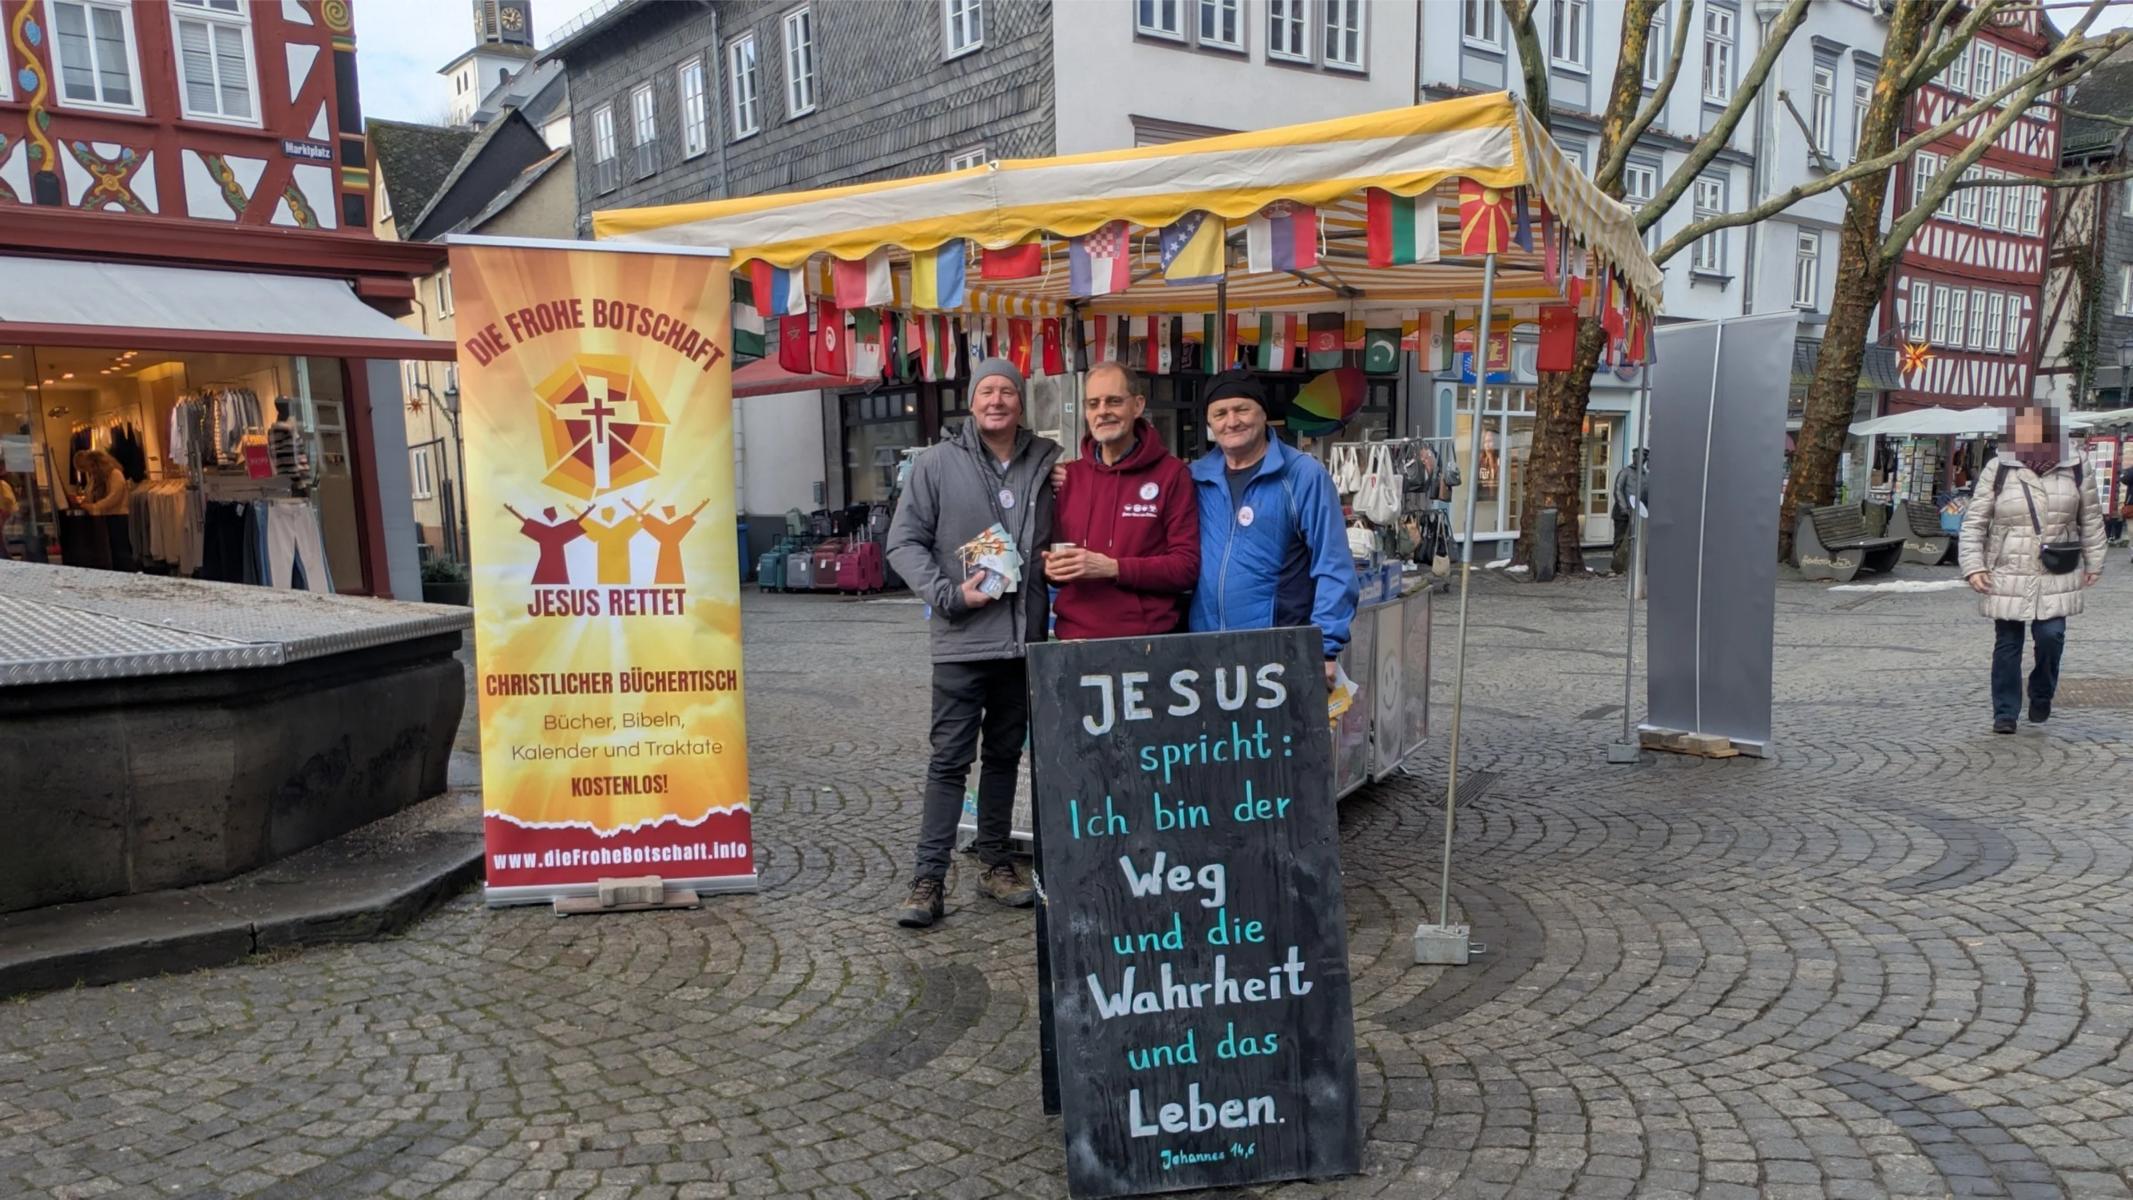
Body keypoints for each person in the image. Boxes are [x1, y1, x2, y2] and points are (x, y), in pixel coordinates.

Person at [884, 358, 1061, 929]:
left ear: (1020, 401)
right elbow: (903, 542)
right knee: (949, 762)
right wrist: (949, 595)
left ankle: (995, 862)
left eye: (1007, 391)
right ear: (971, 400)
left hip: (1023, 641)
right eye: (987, 391)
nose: (997, 400)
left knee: (1006, 756)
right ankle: (928, 878)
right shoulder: (936, 464)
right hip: (962, 640)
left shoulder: (1047, 462)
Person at [1186, 370, 1359, 684]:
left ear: (1263, 413)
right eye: (1220, 413)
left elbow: (1333, 565)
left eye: (1242, 409)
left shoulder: (1302, 475)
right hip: (1205, 654)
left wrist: (1325, 649)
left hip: (1279, 653)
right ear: (1209, 423)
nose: (1232, 421)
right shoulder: (1194, 478)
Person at [1959, 405, 2103, 735]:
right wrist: (1973, 566)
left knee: (2051, 637)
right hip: (2008, 565)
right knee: (2008, 641)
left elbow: (2091, 518)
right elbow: (1975, 522)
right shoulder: (1999, 469)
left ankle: (2042, 693)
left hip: (2056, 566)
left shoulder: (2076, 467)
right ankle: (2005, 711)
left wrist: (2095, 561)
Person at [1043, 362, 1198, 639]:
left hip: (1147, 640)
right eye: (1093, 403)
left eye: (1114, 401)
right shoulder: (1069, 478)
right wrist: (1050, 568)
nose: (1103, 411)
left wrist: (1113, 568)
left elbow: (1186, 567)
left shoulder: (1172, 475)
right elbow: (1051, 562)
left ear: (1137, 406)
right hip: (1074, 639)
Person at [1610, 448, 1649, 576]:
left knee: (1635, 540)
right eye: (1637, 457)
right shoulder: (1625, 472)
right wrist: (1623, 508)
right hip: (1623, 514)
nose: (1639, 459)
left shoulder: (1646, 476)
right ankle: (1617, 566)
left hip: (1638, 515)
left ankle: (1630, 565)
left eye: (1643, 457)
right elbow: (1618, 490)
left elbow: (1647, 496)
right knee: (1620, 539)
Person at [72, 449, 129, 516]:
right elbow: (88, 495)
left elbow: (114, 498)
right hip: (105, 519)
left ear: (101, 463)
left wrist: (94, 507)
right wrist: (80, 501)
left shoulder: (115, 474)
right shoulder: (94, 478)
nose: (90, 470)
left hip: (118, 517)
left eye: (93, 466)